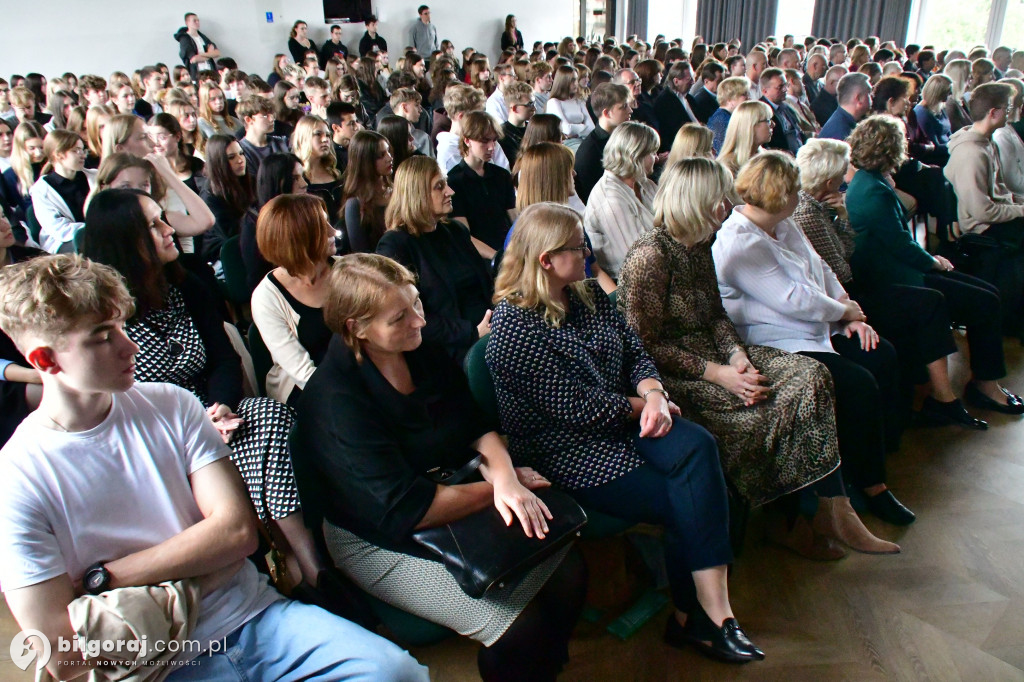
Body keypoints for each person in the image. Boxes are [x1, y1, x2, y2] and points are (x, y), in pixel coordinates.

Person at [0, 253, 427, 680]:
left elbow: (237, 533)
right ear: (45, 361)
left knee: (395, 671)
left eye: (120, 327)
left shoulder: (171, 404)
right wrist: (204, 567)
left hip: (252, 618)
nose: (129, 345)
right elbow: (60, 652)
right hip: (154, 666)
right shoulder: (19, 477)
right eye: (102, 336)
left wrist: (102, 580)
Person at [488, 202, 765, 663]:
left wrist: (654, 391)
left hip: (625, 420)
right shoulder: (513, 326)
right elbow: (574, 409)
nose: (588, 253)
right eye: (578, 247)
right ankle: (697, 620)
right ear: (546, 260)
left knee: (698, 445)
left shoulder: (584, 293)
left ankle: (711, 616)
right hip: (567, 449)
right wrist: (644, 405)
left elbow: (633, 347)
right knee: (688, 497)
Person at [290, 251, 584, 681]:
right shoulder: (335, 402)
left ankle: (538, 666)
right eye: (399, 317)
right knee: (520, 628)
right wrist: (501, 488)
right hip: (378, 537)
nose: (419, 321)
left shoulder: (419, 350)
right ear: (358, 329)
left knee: (570, 572)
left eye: (416, 304)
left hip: (452, 490)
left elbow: (476, 423)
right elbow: (407, 509)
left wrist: (503, 474)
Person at [616, 157, 864, 558]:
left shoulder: (699, 244)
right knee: (764, 410)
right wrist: (718, 373)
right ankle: (784, 518)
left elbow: (716, 314)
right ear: (696, 201)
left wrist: (736, 356)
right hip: (668, 375)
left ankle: (828, 507)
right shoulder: (652, 256)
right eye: (719, 198)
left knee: (811, 376)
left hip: (714, 355)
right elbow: (640, 346)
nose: (728, 205)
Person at [713, 152, 911, 540]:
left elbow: (821, 268)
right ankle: (871, 485)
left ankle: (870, 461)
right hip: (776, 339)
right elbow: (792, 299)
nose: (800, 194)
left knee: (881, 355)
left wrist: (849, 316)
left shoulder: (782, 223)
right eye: (794, 189)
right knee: (856, 384)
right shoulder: (738, 243)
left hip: (818, 326)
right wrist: (843, 310)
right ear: (778, 194)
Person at [842, 118, 1022, 420]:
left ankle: (985, 382)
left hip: (899, 266)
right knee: (985, 301)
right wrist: (933, 261)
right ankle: (985, 385)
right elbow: (899, 243)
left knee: (988, 293)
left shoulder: (872, 180)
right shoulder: (871, 188)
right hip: (894, 275)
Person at [376, 156, 492, 363]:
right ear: (417, 194)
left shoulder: (455, 231)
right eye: (440, 187)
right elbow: (410, 316)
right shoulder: (396, 244)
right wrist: (472, 332)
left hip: (488, 328)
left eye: (445, 183)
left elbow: (485, 283)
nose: (450, 191)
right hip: (448, 349)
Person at [252, 193, 336, 406]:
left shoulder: (349, 269)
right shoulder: (266, 298)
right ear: (298, 240)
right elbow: (303, 374)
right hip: (309, 389)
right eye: (322, 227)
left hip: (360, 374)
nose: (333, 231)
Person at [585, 122, 659, 280]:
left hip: (658, 271)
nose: (657, 158)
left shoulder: (645, 183)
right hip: (632, 282)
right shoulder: (610, 199)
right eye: (652, 153)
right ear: (634, 155)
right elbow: (639, 259)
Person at [448, 111, 516, 259]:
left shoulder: (501, 175)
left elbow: (514, 220)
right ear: (467, 141)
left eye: (494, 140)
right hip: (479, 257)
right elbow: (464, 236)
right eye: (484, 141)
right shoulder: (454, 181)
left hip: (508, 249)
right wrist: (498, 258)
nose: (491, 147)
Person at [28, 130, 96, 253]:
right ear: (59, 155)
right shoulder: (41, 190)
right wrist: (96, 228)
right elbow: (58, 229)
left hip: (101, 233)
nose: (83, 155)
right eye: (76, 151)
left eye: (83, 150)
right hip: (64, 242)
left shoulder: (95, 177)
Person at [200, 134, 254, 263]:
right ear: (219, 161)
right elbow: (231, 236)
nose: (240, 160)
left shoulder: (249, 180)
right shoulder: (210, 196)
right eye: (231, 157)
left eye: (241, 153)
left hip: (249, 245)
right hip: (223, 258)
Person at [574, 83, 632, 203]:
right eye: (624, 107)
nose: (630, 110)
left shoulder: (618, 137)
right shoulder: (591, 152)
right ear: (607, 113)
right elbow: (594, 196)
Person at [435, 84, 511, 174]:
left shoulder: (489, 138)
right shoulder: (448, 150)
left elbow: (505, 170)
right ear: (461, 116)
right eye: (477, 115)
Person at [341, 130, 393, 253]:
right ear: (365, 161)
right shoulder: (355, 204)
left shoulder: (396, 191)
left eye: (388, 151)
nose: (389, 158)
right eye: (381, 155)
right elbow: (361, 253)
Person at [292, 115, 344, 221]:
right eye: (318, 134)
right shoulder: (297, 176)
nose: (325, 139)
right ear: (304, 137)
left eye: (328, 135)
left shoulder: (338, 168)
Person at [236, 96, 289, 180]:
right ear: (249, 120)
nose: (272, 119)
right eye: (265, 116)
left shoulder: (281, 142)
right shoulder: (241, 151)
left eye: (272, 115)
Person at [716, 100, 773, 175]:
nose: (773, 124)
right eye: (768, 121)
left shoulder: (766, 157)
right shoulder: (727, 167)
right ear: (751, 126)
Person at [546, 65, 595, 152]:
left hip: (584, 141)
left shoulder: (578, 101)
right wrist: (583, 127)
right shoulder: (554, 102)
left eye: (576, 79)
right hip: (565, 145)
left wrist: (575, 131)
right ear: (563, 82)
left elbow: (592, 128)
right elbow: (566, 129)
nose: (576, 83)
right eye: (572, 80)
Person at [654, 61, 698, 153]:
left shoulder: (689, 98)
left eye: (693, 78)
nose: (693, 82)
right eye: (689, 79)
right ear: (676, 81)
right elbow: (669, 132)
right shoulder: (664, 102)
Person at [759, 68, 804, 154]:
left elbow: (798, 132)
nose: (785, 89)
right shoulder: (761, 112)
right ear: (765, 91)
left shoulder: (786, 107)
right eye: (780, 87)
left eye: (785, 85)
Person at [818, 72, 872, 141]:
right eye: (869, 93)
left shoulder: (842, 120)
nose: (872, 96)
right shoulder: (841, 132)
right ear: (858, 98)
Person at [707, 77, 750, 154]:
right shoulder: (720, 120)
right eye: (744, 94)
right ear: (730, 98)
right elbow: (722, 153)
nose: (749, 98)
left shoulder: (728, 117)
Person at [174, 12, 220, 81]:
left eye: (198, 20)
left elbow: (217, 53)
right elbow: (194, 59)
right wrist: (210, 55)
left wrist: (202, 54)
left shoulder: (202, 37)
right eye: (194, 21)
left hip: (210, 70)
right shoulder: (185, 39)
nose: (197, 22)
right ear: (187, 22)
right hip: (196, 74)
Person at [915, 73, 953, 152]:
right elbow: (934, 146)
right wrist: (955, 146)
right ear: (938, 93)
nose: (950, 94)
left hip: (949, 148)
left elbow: (949, 134)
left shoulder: (941, 108)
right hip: (940, 155)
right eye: (948, 92)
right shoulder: (922, 113)